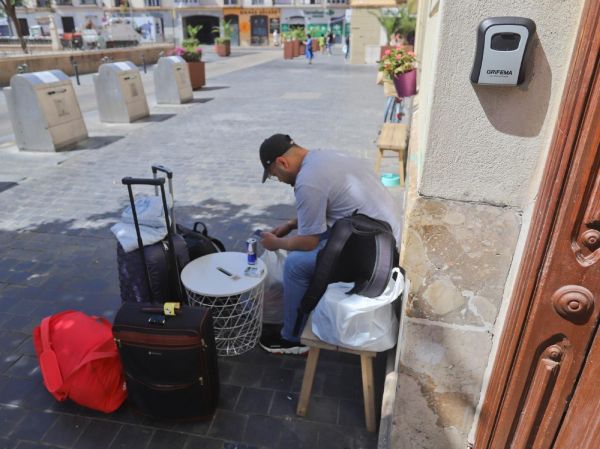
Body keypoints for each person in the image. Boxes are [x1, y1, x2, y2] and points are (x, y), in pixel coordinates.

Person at [257, 134, 402, 354]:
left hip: (377, 256)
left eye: (275, 175)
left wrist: (277, 243)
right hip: (381, 236)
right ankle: (307, 309)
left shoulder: (307, 181)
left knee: (295, 265)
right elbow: (323, 210)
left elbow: (308, 242)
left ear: (282, 162)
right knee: (309, 246)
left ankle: (292, 338)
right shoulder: (324, 157)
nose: (281, 180)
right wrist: (291, 224)